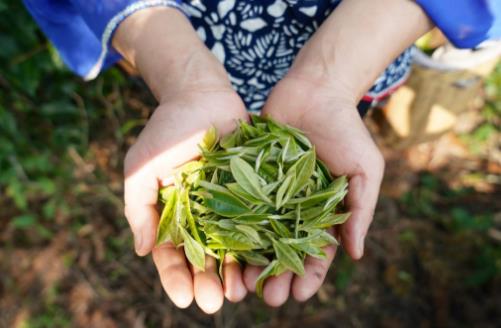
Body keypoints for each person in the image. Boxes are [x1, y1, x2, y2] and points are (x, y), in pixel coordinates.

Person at [23, 0, 501, 314]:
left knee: (338, 118)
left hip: (360, 38)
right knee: (201, 117)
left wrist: (335, 79)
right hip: (179, 35)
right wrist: (175, 70)